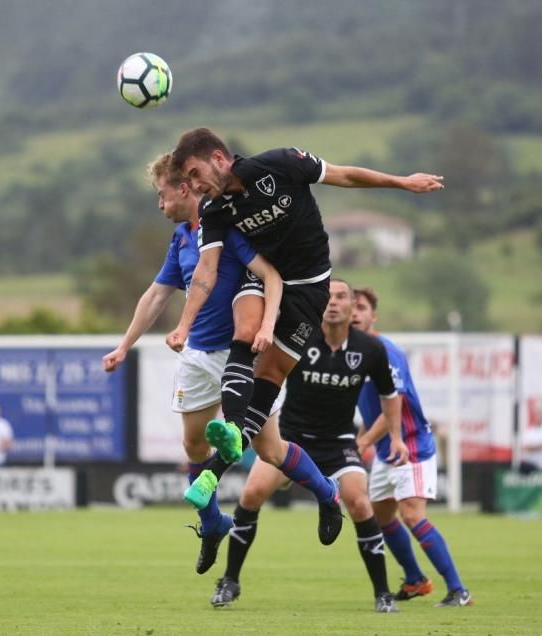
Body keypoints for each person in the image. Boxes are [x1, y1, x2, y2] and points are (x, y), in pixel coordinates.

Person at [169, 128, 440, 540]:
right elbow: (205, 272)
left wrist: (401, 182)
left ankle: (223, 467)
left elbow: (345, 175)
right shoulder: (214, 210)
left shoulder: (280, 164)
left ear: (219, 158)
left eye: (195, 172)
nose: (195, 186)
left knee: (270, 379)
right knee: (244, 332)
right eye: (187, 182)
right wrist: (184, 325)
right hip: (265, 281)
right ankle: (227, 443)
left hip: (309, 287)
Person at [102, 152, 284, 574]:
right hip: (198, 354)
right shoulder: (181, 238)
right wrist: (124, 346)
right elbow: (156, 295)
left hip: (239, 354)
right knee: (192, 444)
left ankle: (326, 493)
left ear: (184, 188)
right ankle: (212, 523)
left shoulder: (229, 226)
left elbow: (267, 272)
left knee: (270, 450)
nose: (160, 206)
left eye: (161, 196)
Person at [209, 279, 407, 613]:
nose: (332, 302)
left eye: (341, 297)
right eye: (327, 296)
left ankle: (383, 593)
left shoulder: (371, 349)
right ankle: (230, 581)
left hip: (339, 441)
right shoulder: (298, 336)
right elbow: (267, 373)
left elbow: (390, 396)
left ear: (352, 306)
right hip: (291, 437)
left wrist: (396, 437)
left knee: (359, 503)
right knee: (251, 494)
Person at [351, 286, 472, 608]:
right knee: (382, 517)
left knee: (413, 516)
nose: (354, 313)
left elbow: (394, 406)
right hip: (385, 450)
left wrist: (361, 441)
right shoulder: (354, 353)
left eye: (361, 307)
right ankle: (416, 580)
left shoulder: (385, 351)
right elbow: (373, 410)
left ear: (373, 315)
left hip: (410, 445)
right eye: (350, 307)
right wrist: (362, 439)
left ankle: (459, 590)